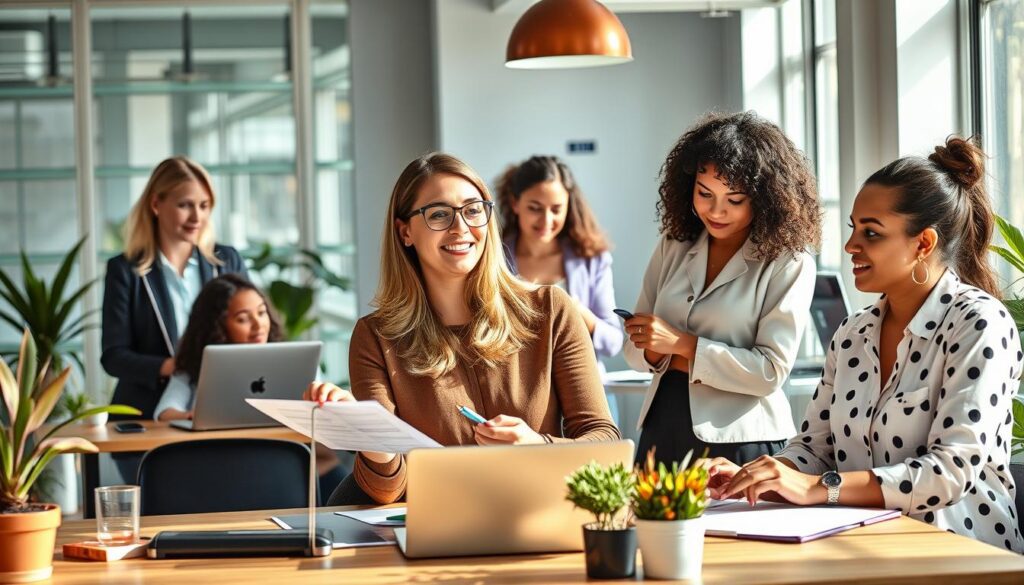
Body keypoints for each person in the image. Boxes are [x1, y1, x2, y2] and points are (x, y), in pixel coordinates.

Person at [706, 136, 1023, 553]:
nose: (851, 245)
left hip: (962, 554)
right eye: (853, 227)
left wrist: (820, 488)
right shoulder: (853, 333)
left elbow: (951, 470)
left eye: (871, 233)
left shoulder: (979, 324)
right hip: (864, 547)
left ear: (923, 243)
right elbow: (816, 446)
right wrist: (761, 474)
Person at [306, 152, 620, 505]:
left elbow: (605, 441)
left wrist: (537, 446)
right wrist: (366, 432)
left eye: (473, 210)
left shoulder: (551, 311)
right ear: (405, 231)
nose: (461, 228)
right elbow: (386, 491)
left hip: (537, 516)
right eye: (439, 214)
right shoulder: (376, 336)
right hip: (435, 527)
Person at [622, 111, 821, 468]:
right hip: (663, 424)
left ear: (764, 198)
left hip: (741, 437)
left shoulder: (788, 261)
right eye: (704, 193)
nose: (716, 211)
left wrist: (682, 344)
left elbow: (770, 372)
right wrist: (650, 348)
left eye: (734, 199)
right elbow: (633, 352)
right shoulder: (675, 243)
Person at [152, 273, 346, 495]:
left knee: (343, 484)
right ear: (217, 325)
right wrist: (192, 415)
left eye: (262, 313)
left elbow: (321, 408)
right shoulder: (194, 366)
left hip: (286, 460)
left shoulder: (295, 359)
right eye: (243, 318)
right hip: (222, 466)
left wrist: (324, 398)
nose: (258, 325)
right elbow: (164, 412)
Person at [102, 156, 249, 420]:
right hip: (145, 413)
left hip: (221, 408)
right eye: (185, 205)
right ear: (156, 204)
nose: (197, 217)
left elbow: (251, 329)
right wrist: (177, 367)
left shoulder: (227, 262)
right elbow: (114, 356)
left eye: (204, 206)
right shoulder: (125, 271)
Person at [496, 155, 623, 365]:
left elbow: (613, 343)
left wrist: (574, 310)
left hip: (579, 384)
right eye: (535, 208)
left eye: (556, 209)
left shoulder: (591, 259)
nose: (546, 220)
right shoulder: (493, 257)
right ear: (514, 203)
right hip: (513, 387)